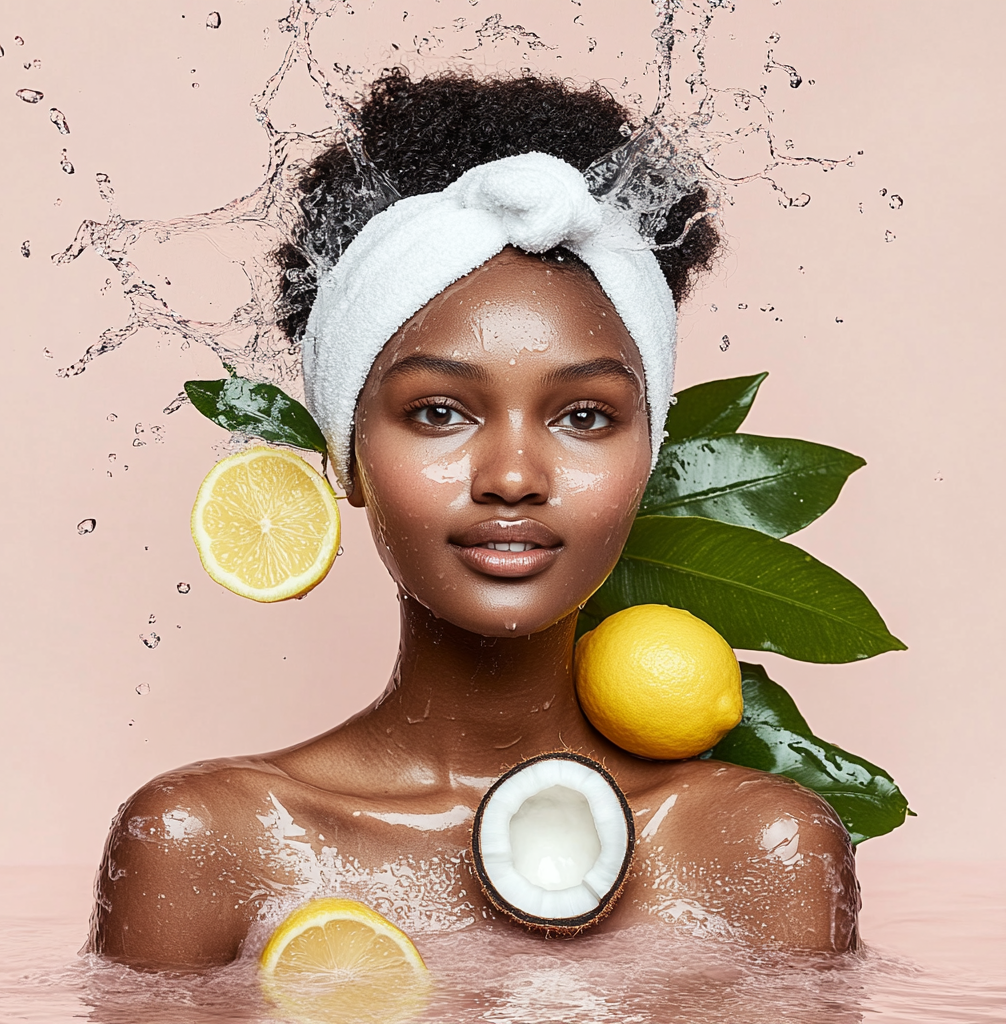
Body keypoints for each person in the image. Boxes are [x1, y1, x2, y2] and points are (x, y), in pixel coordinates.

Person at [89, 71, 859, 971]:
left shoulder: (761, 850)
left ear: (646, 459)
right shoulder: (204, 845)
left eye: (584, 418)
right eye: (439, 413)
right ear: (349, 458)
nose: (513, 477)